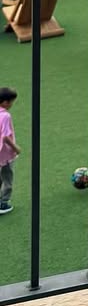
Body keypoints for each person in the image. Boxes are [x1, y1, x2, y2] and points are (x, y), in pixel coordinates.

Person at [0, 86, 20, 215]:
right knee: (7, 178)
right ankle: (3, 203)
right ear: (5, 102)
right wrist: (15, 148)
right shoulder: (5, 116)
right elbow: (5, 137)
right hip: (5, 154)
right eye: (12, 101)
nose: (12, 104)